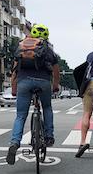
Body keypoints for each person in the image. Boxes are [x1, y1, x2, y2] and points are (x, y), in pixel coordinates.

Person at [6, 23, 60, 165]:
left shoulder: (22, 46)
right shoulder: (48, 49)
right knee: (47, 108)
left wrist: (14, 88)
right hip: (43, 82)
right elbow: (56, 69)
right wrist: (55, 85)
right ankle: (48, 136)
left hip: (23, 82)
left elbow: (14, 70)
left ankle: (15, 143)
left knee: (21, 115)